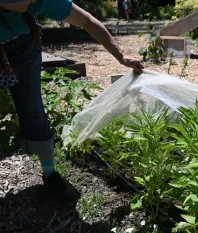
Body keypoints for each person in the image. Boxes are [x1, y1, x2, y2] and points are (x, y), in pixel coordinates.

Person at [0, 0, 144, 201]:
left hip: (24, 44)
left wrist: (121, 56)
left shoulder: (39, 2)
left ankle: (50, 174)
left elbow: (86, 21)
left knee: (32, 107)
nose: (31, 2)